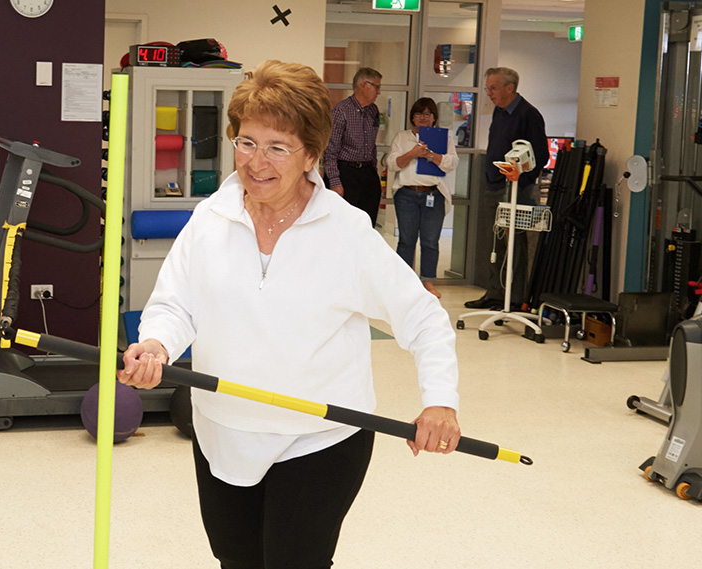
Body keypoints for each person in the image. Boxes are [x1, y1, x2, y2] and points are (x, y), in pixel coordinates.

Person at [118, 60, 461, 569]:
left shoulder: (346, 232)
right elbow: (176, 304)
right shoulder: (210, 218)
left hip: (317, 438)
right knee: (236, 560)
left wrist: (440, 403)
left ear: (311, 156)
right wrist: (157, 345)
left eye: (278, 147)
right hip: (222, 429)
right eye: (247, 142)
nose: (257, 161)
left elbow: (424, 319)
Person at [465, 67, 548, 310]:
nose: (489, 93)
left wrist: (520, 180)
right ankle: (494, 294)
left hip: (516, 190)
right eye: (487, 88)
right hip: (495, 187)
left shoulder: (528, 115)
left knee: (515, 244)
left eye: (493, 88)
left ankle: (515, 298)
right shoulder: (500, 113)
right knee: (496, 244)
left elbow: (539, 155)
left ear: (509, 88)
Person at [387, 97, 459, 299]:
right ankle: (404, 283)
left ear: (434, 117)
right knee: (406, 240)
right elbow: (392, 164)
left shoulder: (444, 138)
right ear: (412, 117)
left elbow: (452, 163)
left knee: (430, 241)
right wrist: (412, 153)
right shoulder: (402, 137)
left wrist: (430, 155)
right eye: (418, 114)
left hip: (433, 195)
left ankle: (427, 282)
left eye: (427, 114)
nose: (423, 118)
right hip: (407, 194)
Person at [323, 67, 383, 226]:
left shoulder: (373, 111)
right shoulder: (341, 111)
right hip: (346, 174)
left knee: (367, 225)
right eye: (376, 87)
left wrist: (373, 172)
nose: (379, 92)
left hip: (367, 173)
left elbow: (372, 145)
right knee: (344, 226)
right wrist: (335, 182)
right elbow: (330, 151)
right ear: (364, 85)